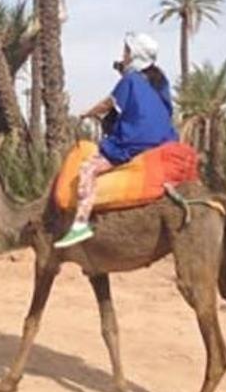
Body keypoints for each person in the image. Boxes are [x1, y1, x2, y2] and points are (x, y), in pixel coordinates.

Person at [54, 32, 178, 249]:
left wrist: (87, 113)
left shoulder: (130, 80)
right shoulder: (161, 81)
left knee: (87, 169)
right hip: (166, 140)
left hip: (135, 141)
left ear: (134, 54)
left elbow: (108, 104)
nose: (123, 54)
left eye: (126, 51)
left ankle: (80, 224)